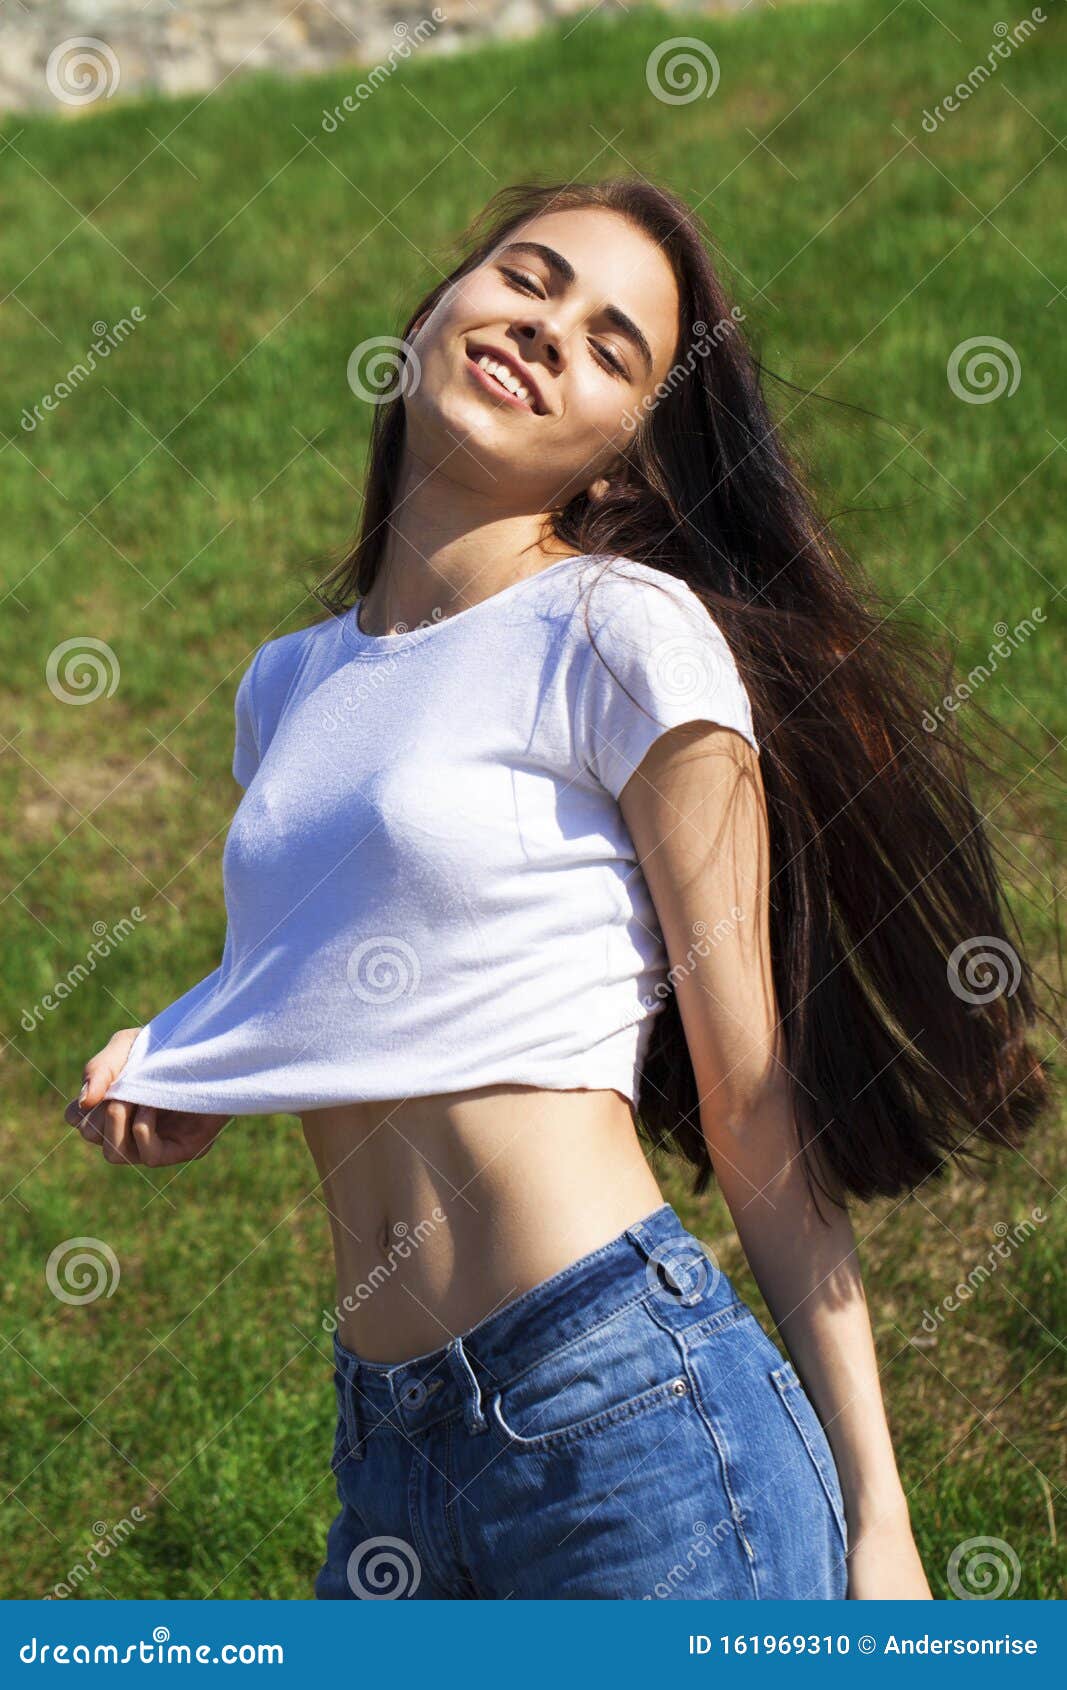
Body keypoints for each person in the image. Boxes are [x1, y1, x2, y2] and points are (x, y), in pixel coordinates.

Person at [67, 178, 1048, 1601]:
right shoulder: (287, 687)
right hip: (392, 1441)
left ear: (621, 470)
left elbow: (751, 1102)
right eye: (527, 280)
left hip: (624, 1412)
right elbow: (373, 961)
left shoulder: (621, 631)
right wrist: (190, 1057)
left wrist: (880, 1515)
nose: (544, 331)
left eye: (610, 345)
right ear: (434, 310)